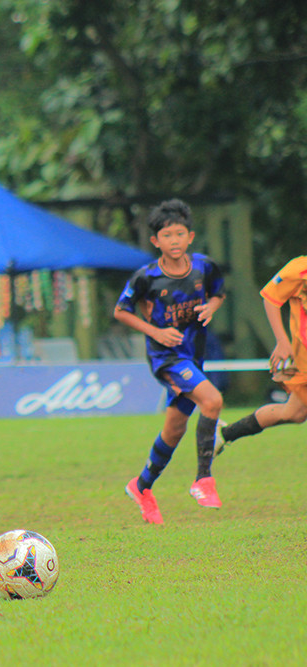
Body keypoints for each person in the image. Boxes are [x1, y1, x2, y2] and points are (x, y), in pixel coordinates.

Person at [113, 199, 225, 525]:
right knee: (212, 401)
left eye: (179, 234)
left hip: (194, 355)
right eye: (166, 235)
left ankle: (141, 486)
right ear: (155, 241)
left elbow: (218, 294)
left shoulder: (205, 267)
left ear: (190, 236)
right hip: (167, 358)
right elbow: (121, 310)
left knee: (174, 429)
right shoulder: (146, 277)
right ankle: (203, 480)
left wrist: (211, 307)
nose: (174, 240)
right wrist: (156, 332)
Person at [215, 255, 307, 452]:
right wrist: (282, 341)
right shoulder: (300, 268)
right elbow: (271, 298)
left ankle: (225, 434)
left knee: (294, 413)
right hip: (304, 359)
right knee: (293, 413)